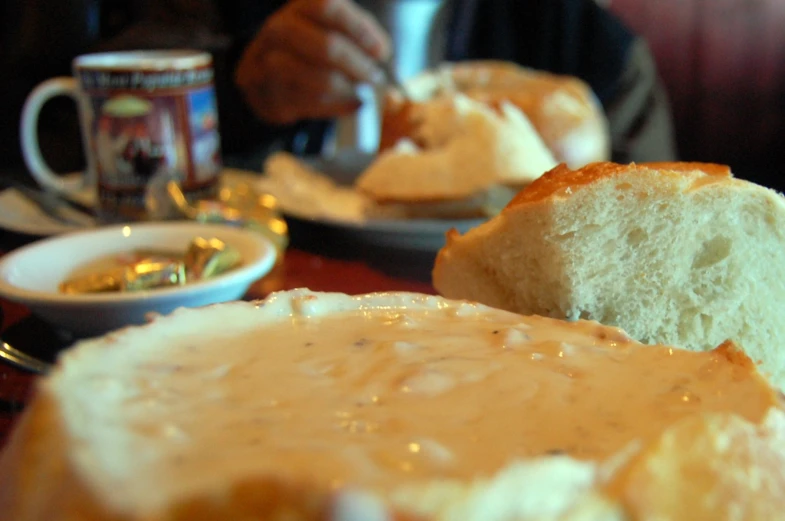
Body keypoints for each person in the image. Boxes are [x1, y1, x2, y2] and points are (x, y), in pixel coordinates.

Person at [5, 0, 677, 170]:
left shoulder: (587, 47)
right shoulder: (212, 12)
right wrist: (240, 97)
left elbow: (657, 245)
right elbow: (55, 140)